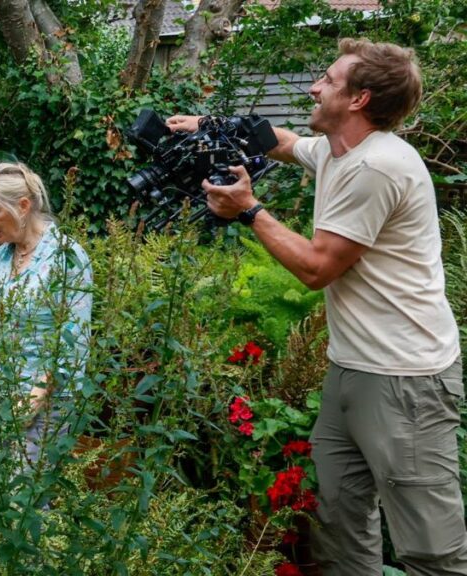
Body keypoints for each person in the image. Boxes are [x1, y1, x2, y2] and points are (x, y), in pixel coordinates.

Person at [168, 38, 467, 575]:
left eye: (328, 80)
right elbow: (284, 143)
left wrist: (249, 210)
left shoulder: (377, 168)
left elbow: (316, 268)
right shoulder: (338, 150)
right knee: (341, 527)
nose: (313, 86)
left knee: (431, 549)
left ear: (359, 98)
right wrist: (211, 126)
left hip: (405, 379)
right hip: (351, 369)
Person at [0, 161, 93, 476]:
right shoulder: (1, 258)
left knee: (26, 499)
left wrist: (29, 404)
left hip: (47, 404)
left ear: (23, 206)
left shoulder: (66, 257)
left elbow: (73, 343)